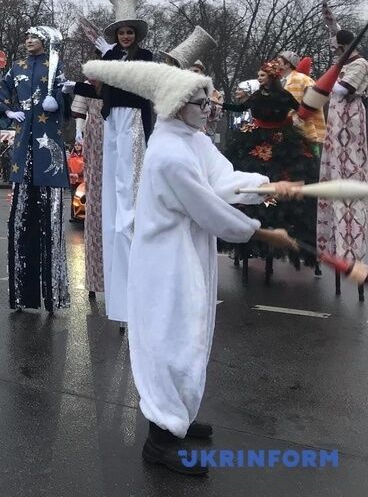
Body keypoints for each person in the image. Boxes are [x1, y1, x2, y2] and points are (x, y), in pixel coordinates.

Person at [83, 57, 300, 475]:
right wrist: (263, 232)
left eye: (208, 101)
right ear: (176, 104)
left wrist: (266, 185)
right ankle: (160, 440)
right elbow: (211, 209)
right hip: (166, 264)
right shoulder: (168, 153)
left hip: (189, 254)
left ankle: (178, 415)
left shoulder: (195, 139)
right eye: (200, 102)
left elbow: (222, 178)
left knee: (194, 332)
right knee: (171, 340)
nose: (208, 108)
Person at [73, 0, 153, 327]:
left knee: (129, 184)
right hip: (111, 120)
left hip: (134, 118)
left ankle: (133, 242)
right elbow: (97, 89)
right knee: (112, 181)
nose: (124, 36)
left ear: (135, 35)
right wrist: (75, 88)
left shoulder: (145, 58)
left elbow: (142, 88)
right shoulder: (107, 59)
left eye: (129, 32)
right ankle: (116, 261)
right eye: (121, 32)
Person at [0, 25, 70, 313]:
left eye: (34, 37)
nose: (28, 41)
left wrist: (58, 99)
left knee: (50, 223)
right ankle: (22, 296)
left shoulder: (55, 67)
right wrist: (8, 111)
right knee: (21, 221)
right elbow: (1, 96)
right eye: (26, 37)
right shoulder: (16, 67)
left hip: (49, 157)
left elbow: (66, 100)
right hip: (24, 154)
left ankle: (52, 297)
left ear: (44, 41)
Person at [223, 60, 318, 281]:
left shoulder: (284, 96)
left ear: (272, 77)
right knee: (245, 183)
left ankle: (287, 239)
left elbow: (302, 111)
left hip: (282, 144)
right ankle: (248, 240)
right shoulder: (256, 96)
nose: (259, 78)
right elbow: (240, 108)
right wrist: (218, 105)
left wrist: (312, 103)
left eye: (263, 75)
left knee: (285, 185)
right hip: (252, 142)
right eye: (259, 75)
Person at [317, 22, 368, 289]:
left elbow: (342, 89)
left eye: (336, 47)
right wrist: (330, 21)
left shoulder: (360, 64)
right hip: (335, 121)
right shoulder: (345, 60)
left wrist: (332, 76)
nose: (334, 52)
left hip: (349, 119)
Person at [70, 79, 104, 298]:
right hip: (96, 142)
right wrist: (79, 132)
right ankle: (94, 277)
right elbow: (79, 112)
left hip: (119, 142)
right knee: (94, 212)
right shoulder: (88, 84)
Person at [277, 50, 327, 152]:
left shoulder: (304, 80)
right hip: (285, 128)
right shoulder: (279, 81)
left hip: (304, 130)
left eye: (279, 63)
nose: (275, 65)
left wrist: (298, 117)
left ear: (287, 65)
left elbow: (315, 102)